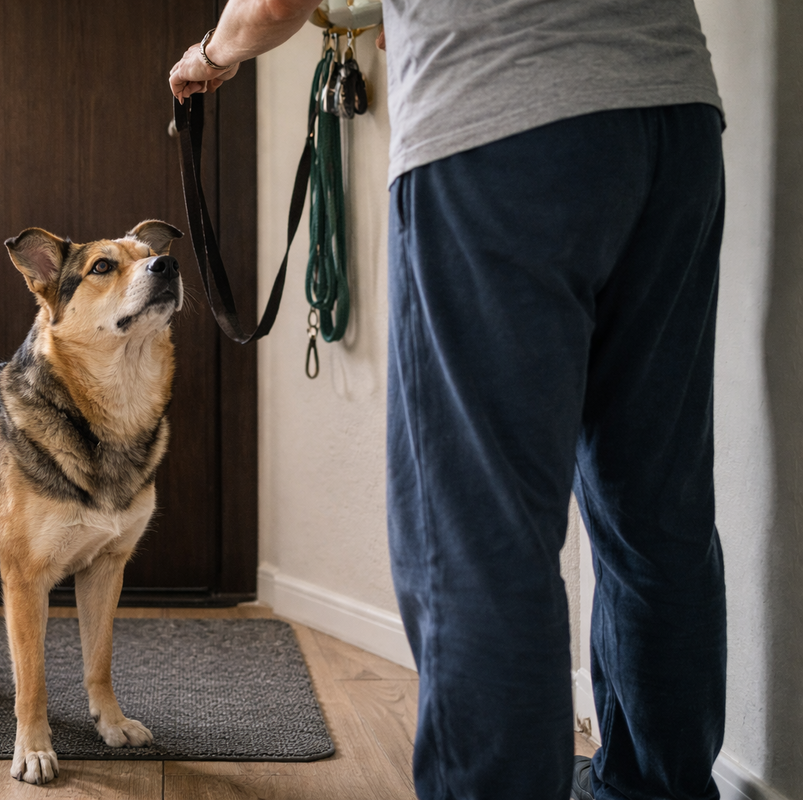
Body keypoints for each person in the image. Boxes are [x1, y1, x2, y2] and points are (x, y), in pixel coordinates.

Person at [170, 1, 727, 798]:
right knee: (656, 506)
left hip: (500, 128)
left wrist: (214, 54)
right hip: (676, 119)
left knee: (480, 529)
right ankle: (657, 787)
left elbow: (271, 4)